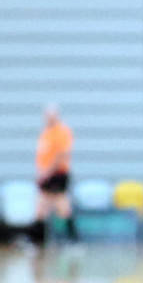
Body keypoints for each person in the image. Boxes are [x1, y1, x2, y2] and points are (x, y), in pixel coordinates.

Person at [35, 104, 78, 246]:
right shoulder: (46, 132)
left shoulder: (61, 132)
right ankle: (37, 240)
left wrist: (47, 172)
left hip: (57, 173)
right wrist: (41, 171)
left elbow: (61, 154)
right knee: (41, 207)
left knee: (62, 206)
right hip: (47, 174)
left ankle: (73, 240)